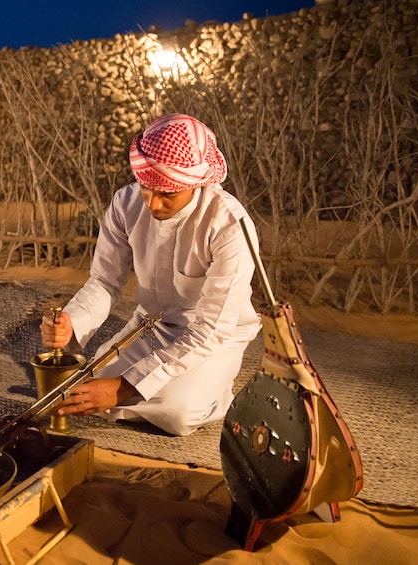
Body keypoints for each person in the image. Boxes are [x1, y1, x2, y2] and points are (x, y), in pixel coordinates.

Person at [40, 113, 261, 436]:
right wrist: (72, 321)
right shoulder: (125, 203)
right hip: (150, 326)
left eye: (167, 194)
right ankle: (157, 392)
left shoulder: (229, 226)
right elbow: (104, 281)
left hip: (213, 337)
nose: (153, 204)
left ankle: (217, 392)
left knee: (178, 413)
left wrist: (122, 388)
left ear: (195, 184)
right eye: (146, 188)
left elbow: (210, 330)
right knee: (82, 391)